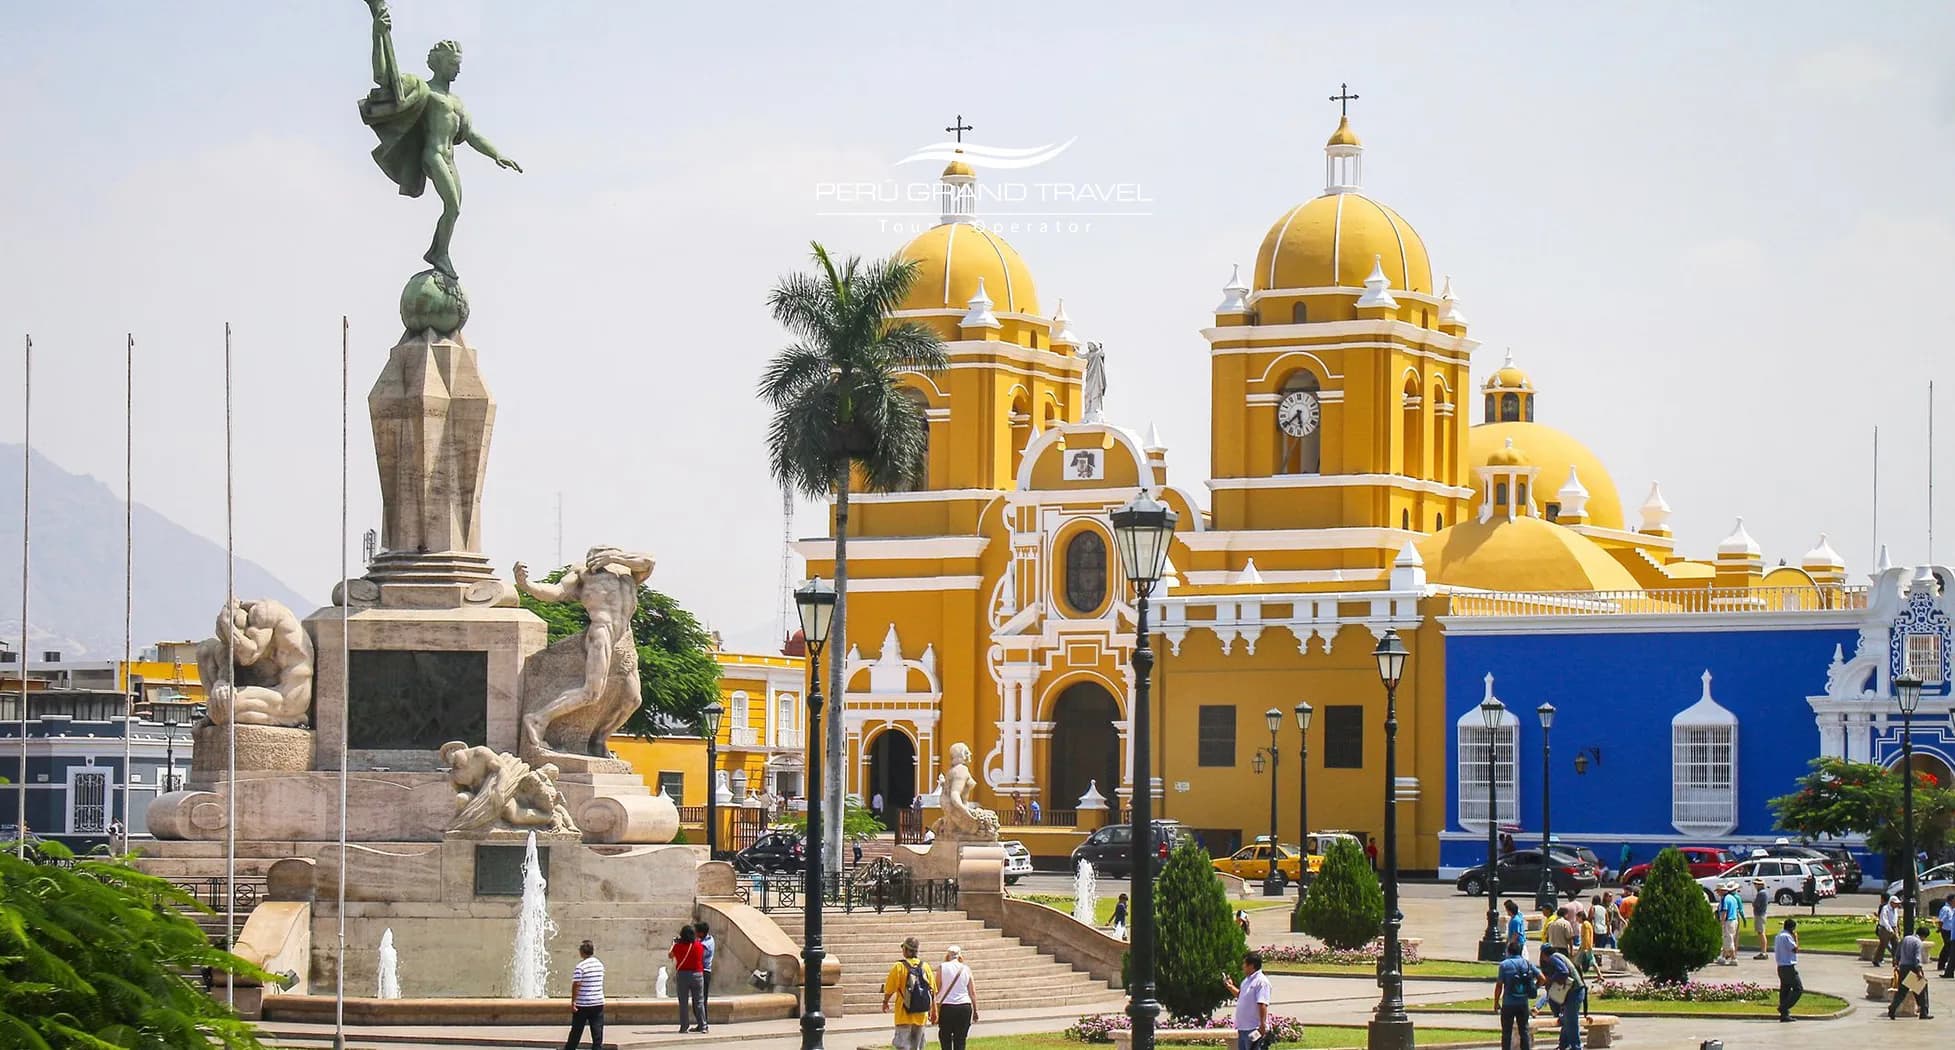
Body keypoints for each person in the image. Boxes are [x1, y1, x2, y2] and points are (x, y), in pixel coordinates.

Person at [882, 936, 936, 1050]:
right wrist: (934, 1010)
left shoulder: (899, 967)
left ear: (906, 950)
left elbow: (889, 989)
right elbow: (932, 990)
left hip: (903, 1014)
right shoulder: (925, 966)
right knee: (917, 1047)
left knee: (903, 1046)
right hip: (921, 1014)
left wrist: (885, 1001)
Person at [1494, 939, 1542, 1050]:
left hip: (1508, 1003)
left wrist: (1496, 1002)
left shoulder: (1504, 965)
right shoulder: (1527, 963)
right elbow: (1542, 978)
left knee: (1506, 1032)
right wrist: (1535, 987)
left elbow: (1499, 986)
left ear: (1509, 951)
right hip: (1523, 1003)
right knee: (1523, 1030)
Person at [1221, 950, 1271, 1050]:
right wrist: (1230, 986)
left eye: (1244, 963)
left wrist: (1262, 1025)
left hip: (1254, 1029)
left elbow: (1262, 1004)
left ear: (1251, 965)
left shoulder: (1261, 982)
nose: (1243, 966)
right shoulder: (1246, 981)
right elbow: (1240, 995)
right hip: (1243, 1028)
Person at [934, 945, 978, 1050]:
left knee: (945, 1038)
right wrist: (975, 1010)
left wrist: (934, 1007)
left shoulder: (942, 967)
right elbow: (972, 992)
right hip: (964, 1006)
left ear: (948, 955)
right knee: (961, 1039)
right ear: (959, 955)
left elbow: (937, 989)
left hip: (947, 1006)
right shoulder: (966, 969)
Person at [1540, 943, 1584, 1049]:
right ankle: (1563, 1045)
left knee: (1571, 1021)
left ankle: (1576, 1047)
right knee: (1566, 1019)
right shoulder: (1559, 956)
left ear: (1543, 954)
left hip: (1574, 992)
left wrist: (1550, 980)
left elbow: (1563, 971)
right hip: (1574, 992)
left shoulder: (1553, 958)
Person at [564, 939, 604, 1050]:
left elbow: (576, 984)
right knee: (597, 1032)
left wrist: (573, 1002)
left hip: (583, 1004)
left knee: (576, 1031)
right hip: (597, 1002)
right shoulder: (599, 964)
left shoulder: (581, 966)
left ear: (582, 951)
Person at [1890, 924, 1934, 1019]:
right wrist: (1919, 971)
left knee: (1902, 991)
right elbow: (1917, 958)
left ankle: (1892, 1008)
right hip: (1912, 968)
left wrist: (1896, 962)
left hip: (1903, 967)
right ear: (1923, 936)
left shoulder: (1906, 938)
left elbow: (1898, 951)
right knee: (1922, 990)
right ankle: (1923, 1013)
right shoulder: (1918, 942)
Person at [669, 926, 706, 1034]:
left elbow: (670, 955)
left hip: (683, 975)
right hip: (698, 974)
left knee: (683, 1002)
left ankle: (684, 1027)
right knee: (699, 1001)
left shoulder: (677, 947)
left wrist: (673, 944)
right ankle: (703, 1025)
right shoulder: (699, 946)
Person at [1774, 919, 1802, 1022]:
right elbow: (1795, 949)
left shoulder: (1778, 936)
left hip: (1780, 966)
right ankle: (1783, 1007)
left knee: (1785, 990)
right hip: (1788, 967)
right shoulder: (1787, 937)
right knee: (1798, 988)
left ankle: (1784, 1015)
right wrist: (1796, 938)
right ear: (1792, 928)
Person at [693, 920, 715, 1032]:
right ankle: (700, 1024)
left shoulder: (707, 943)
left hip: (704, 972)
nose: (695, 933)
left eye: (696, 932)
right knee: (697, 1000)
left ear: (701, 933)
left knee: (701, 999)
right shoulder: (703, 940)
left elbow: (699, 955)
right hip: (700, 972)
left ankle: (704, 1024)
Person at [1716, 884, 1744, 966]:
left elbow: (1724, 911)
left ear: (1722, 891)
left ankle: (1733, 958)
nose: (1717, 893)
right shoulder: (1733, 898)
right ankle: (1723, 957)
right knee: (1728, 938)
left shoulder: (1724, 899)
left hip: (1728, 921)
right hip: (1734, 920)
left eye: (1718, 891)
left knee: (1728, 939)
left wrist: (1722, 922)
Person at [1874, 895, 1900, 967]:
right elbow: (1884, 920)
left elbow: (1896, 920)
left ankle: (1895, 961)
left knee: (1896, 945)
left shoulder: (1895, 910)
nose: (1897, 905)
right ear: (1891, 903)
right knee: (1883, 945)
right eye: (1895, 903)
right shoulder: (1885, 909)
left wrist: (1897, 929)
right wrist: (1890, 929)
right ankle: (1876, 960)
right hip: (1885, 929)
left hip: (1893, 928)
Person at [1750, 878, 1771, 960]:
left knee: (1761, 933)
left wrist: (1753, 903)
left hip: (1760, 914)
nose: (1755, 886)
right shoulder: (1763, 893)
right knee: (1761, 933)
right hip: (1761, 914)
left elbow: (1756, 904)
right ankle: (1763, 951)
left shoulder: (1761, 894)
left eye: (1756, 884)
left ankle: (1763, 952)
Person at [1937, 896, 1955, 978]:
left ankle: (1948, 971)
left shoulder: (1952, 909)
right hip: (1947, 931)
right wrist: (1940, 929)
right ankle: (1942, 966)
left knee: (1949, 950)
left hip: (1951, 932)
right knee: (1948, 948)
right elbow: (1941, 920)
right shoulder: (1946, 909)